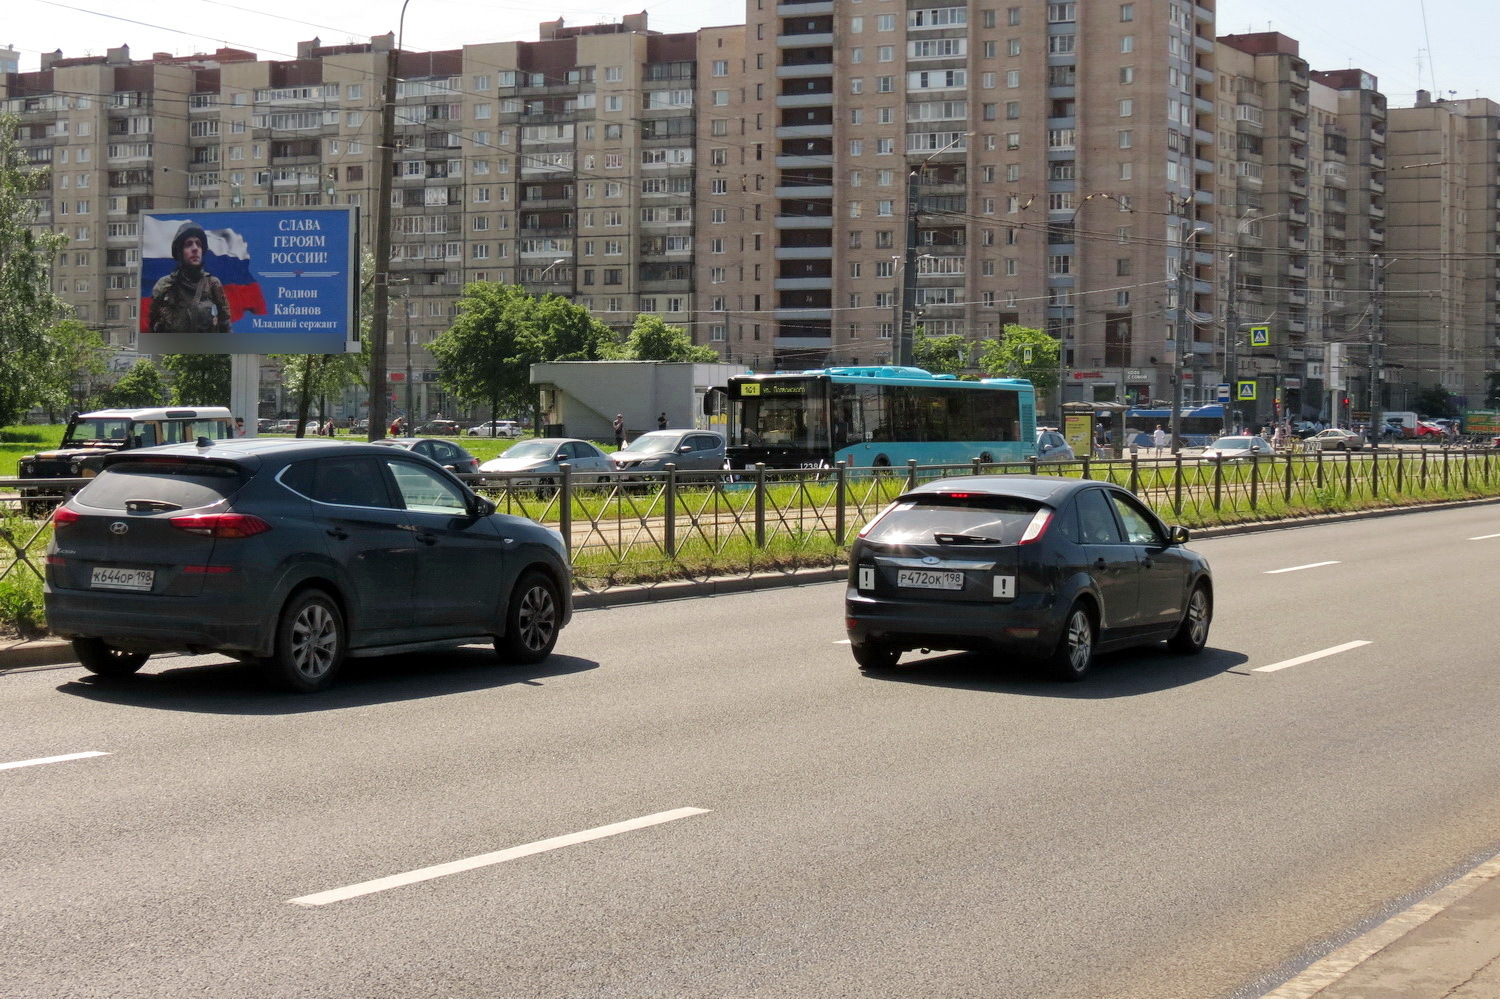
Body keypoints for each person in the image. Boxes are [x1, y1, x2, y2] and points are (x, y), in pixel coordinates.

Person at [148, 222, 232, 336]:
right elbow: (152, 328)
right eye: (188, 244)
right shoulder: (164, 286)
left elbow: (225, 327)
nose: (195, 249)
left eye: (199, 244)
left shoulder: (212, 284)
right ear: (180, 251)